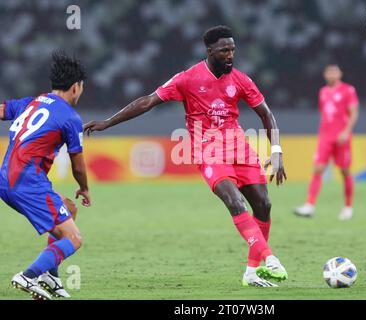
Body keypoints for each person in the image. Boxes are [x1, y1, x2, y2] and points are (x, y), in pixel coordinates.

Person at [84, 25, 288, 287]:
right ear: (210, 50)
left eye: (233, 50)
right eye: (225, 50)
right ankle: (270, 259)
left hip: (239, 148)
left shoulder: (240, 79)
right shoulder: (186, 79)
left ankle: (251, 272)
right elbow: (147, 101)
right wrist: (107, 122)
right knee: (235, 202)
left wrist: (277, 151)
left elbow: (266, 114)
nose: (230, 55)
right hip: (208, 150)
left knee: (264, 205)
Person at [0, 50, 91, 299]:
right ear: (75, 87)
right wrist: (84, 187)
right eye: (82, 88)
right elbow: (78, 165)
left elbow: (1, 110)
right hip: (27, 183)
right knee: (73, 239)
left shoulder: (31, 103)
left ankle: (50, 275)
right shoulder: (70, 117)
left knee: (68, 209)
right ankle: (29, 276)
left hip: (6, 179)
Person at [294, 64, 359, 220]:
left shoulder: (348, 90)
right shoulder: (323, 92)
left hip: (342, 137)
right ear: (325, 75)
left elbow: (354, 113)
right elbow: (324, 114)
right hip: (325, 137)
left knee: (345, 171)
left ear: (340, 74)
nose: (331, 74)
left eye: (334, 72)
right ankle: (309, 205)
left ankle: (348, 207)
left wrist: (346, 132)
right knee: (318, 168)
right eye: (328, 72)